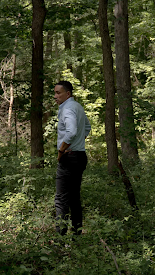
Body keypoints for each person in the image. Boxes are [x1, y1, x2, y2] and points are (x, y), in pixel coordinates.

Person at [54, 81, 91, 236]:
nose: (55, 96)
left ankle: (60, 238)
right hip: (79, 156)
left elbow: (71, 131)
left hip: (69, 157)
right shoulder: (77, 107)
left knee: (61, 199)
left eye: (58, 93)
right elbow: (87, 127)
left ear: (67, 94)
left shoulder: (68, 109)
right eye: (54, 93)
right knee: (74, 197)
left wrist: (62, 150)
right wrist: (77, 143)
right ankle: (77, 236)